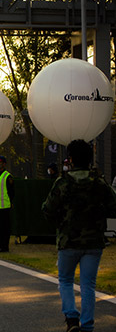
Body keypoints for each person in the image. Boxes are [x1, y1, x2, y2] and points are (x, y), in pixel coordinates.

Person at [42, 140, 116, 332]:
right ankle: (88, 325)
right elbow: (113, 207)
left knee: (65, 281)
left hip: (68, 241)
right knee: (88, 285)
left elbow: (48, 210)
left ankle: (72, 319)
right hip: (94, 242)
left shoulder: (63, 183)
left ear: (71, 159)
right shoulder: (99, 183)